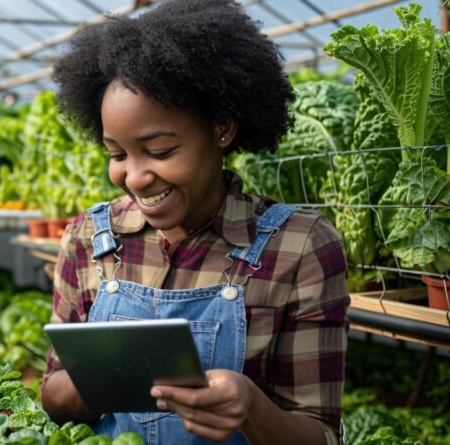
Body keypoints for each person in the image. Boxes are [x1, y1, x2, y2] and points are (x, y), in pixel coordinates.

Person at [40, 1, 350, 444]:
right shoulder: (88, 239)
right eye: (117, 154)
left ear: (222, 128)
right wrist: (106, 375)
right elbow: (51, 395)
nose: (135, 177)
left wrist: (252, 408)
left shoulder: (299, 247)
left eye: (160, 151)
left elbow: (321, 433)